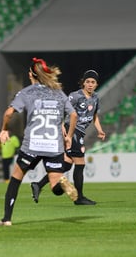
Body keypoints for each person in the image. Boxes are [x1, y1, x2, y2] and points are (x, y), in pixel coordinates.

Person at [0, 57, 78, 226]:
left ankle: (7, 219)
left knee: (15, 179)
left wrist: (4, 129)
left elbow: (9, 113)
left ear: (31, 75)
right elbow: (74, 115)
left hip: (32, 144)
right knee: (55, 185)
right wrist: (68, 136)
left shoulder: (26, 92)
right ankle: (62, 183)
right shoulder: (58, 93)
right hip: (53, 145)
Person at [30, 70, 106, 205]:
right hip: (71, 131)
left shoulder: (95, 98)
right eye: (87, 81)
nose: (90, 84)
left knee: (65, 166)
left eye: (92, 82)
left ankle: (38, 184)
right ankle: (79, 198)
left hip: (79, 132)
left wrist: (100, 130)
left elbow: (94, 116)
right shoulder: (75, 96)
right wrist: (61, 127)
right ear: (83, 83)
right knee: (80, 164)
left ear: (96, 84)